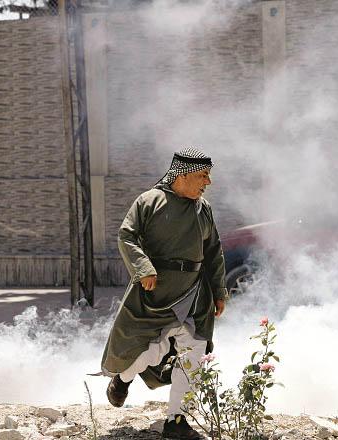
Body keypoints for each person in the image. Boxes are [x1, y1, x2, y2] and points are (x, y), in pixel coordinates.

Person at [101, 147, 228, 440]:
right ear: (182, 174)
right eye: (202, 175)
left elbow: (213, 251)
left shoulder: (203, 208)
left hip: (196, 293)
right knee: (151, 350)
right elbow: (127, 235)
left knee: (194, 352)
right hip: (156, 292)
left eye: (209, 175)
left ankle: (177, 420)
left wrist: (219, 290)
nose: (207, 182)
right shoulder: (149, 201)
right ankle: (122, 379)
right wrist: (143, 268)